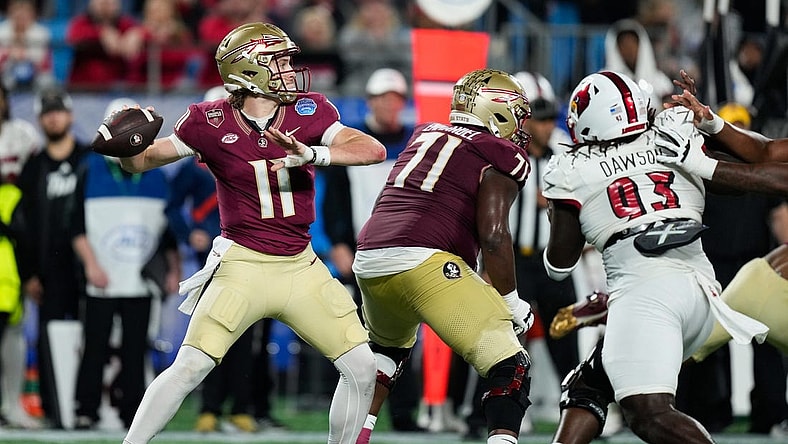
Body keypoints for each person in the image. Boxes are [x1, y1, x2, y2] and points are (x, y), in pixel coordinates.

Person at [118, 22, 385, 444]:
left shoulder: (309, 110)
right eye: (278, 61)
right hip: (243, 264)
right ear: (249, 69)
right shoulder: (208, 120)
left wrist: (312, 154)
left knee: (362, 367)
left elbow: (373, 150)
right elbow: (143, 162)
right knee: (189, 366)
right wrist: (125, 147)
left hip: (301, 265)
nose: (288, 70)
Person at [541, 70, 768, 444]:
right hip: (701, 291)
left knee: (648, 414)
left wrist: (559, 214)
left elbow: (558, 267)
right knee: (589, 383)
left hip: (644, 293)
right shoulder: (671, 131)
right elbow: (749, 168)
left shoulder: (570, 169)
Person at [352, 68, 535, 444]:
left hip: (371, 255)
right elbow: (495, 235)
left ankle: (348, 438)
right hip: (423, 258)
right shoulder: (500, 153)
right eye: (517, 113)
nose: (519, 126)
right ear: (496, 111)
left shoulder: (425, 133)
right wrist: (511, 300)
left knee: (383, 358)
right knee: (509, 364)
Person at [321, 67, 423, 432]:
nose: (389, 105)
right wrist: (338, 244)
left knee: (402, 335)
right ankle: (350, 409)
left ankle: (404, 414)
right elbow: (333, 200)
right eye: (382, 98)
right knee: (355, 337)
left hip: (403, 252)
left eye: (395, 98)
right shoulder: (355, 141)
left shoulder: (414, 144)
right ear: (371, 101)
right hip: (361, 252)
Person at [15, 87, 98, 429]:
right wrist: (29, 273)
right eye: (47, 113)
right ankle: (53, 407)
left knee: (91, 337)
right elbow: (24, 225)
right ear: (40, 119)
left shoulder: (89, 160)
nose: (53, 117)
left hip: (87, 267)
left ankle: (86, 405)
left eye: (58, 111)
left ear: (70, 115)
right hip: (48, 270)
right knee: (48, 338)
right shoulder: (33, 167)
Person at [65, 0, 138, 89]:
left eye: (109, 3)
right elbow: (73, 36)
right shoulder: (80, 23)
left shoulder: (126, 24)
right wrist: (101, 33)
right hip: (84, 88)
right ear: (92, 4)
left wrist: (138, 35)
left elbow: (146, 33)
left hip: (118, 88)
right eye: (102, 3)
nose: (105, 8)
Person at [0, 0, 53, 90]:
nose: (20, 14)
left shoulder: (41, 32)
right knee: (6, 82)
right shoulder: (2, 30)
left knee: (47, 82)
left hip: (36, 73)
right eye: (16, 10)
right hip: (8, 71)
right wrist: (10, 54)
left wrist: (22, 54)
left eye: (25, 11)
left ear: (32, 14)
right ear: (10, 12)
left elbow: (40, 59)